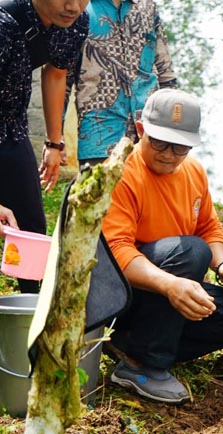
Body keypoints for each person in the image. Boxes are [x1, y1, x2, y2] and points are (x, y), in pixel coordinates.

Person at [102, 89, 223, 404]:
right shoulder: (121, 173)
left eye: (180, 146)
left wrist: (222, 265)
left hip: (169, 289)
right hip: (122, 296)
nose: (169, 154)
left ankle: (132, 346)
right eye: (159, 142)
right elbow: (116, 252)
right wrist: (171, 284)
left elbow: (208, 226)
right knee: (191, 251)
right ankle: (146, 366)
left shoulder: (193, 171)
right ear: (140, 129)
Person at [0, 0, 89, 293]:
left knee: (30, 228)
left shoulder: (74, 22)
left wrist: (54, 142)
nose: (73, 6)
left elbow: (56, 72)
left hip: (12, 129)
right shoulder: (4, 24)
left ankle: (31, 310)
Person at [73, 0, 177, 168]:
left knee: (149, 193)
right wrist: (55, 141)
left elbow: (166, 74)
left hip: (150, 132)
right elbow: (62, 77)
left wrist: (174, 128)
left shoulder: (148, 7)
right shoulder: (79, 8)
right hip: (99, 133)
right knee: (97, 191)